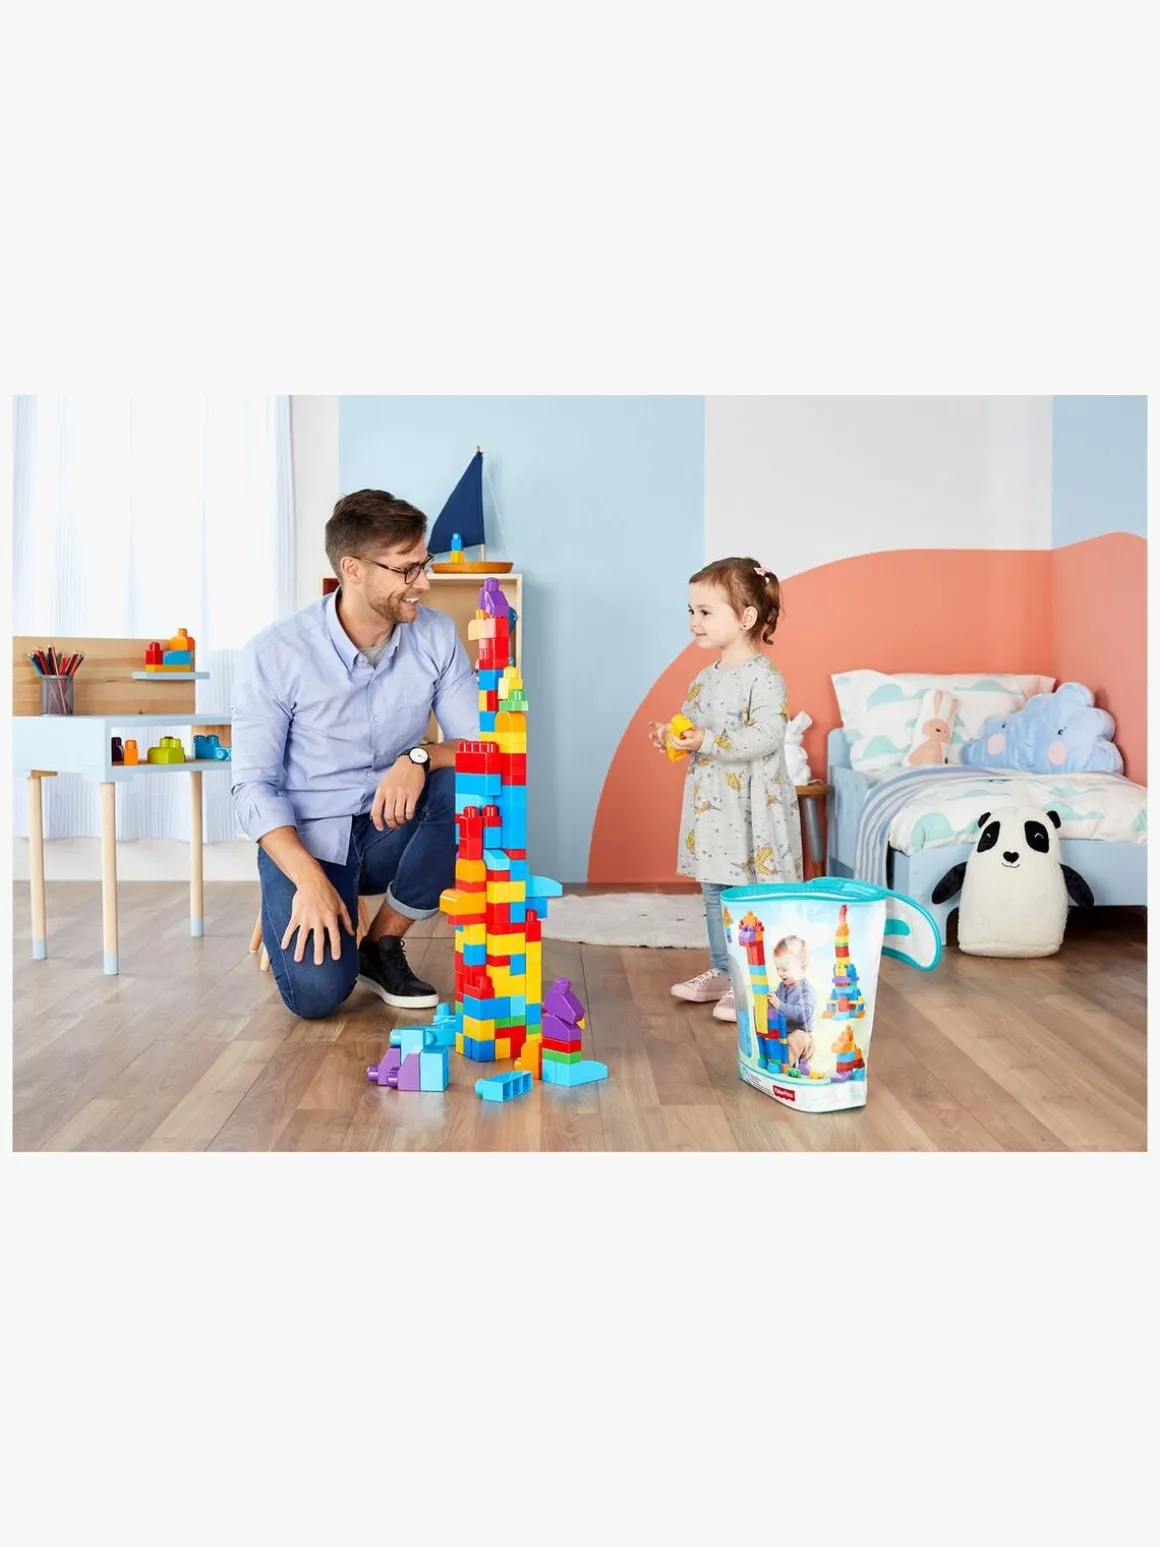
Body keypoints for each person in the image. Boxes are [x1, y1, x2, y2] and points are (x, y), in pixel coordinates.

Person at [231, 490, 478, 1020]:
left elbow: (481, 747)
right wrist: (308, 881)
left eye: (424, 564)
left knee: (468, 787)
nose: (424, 583)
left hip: (393, 826)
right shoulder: (274, 655)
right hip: (313, 839)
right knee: (317, 996)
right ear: (353, 569)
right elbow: (253, 786)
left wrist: (419, 758)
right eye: (407, 570)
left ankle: (382, 943)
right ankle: (288, 894)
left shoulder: (436, 635)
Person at [650, 556, 803, 1022]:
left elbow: (767, 736)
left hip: (752, 807)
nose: (694, 622)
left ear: (746, 617)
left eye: (705, 612)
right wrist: (673, 736)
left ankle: (753, 981)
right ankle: (723, 969)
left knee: (748, 893)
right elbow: (695, 729)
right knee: (714, 891)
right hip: (713, 807)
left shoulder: (763, 676)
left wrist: (707, 740)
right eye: (691, 611)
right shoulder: (705, 678)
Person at [765, 935, 817, 1073]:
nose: (780, 973)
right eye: (777, 968)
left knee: (798, 1037)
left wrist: (779, 1004)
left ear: (802, 968)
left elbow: (802, 1014)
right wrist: (769, 998)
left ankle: (784, 1065)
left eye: (784, 969)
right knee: (771, 1035)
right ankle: (775, 1058)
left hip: (803, 1039)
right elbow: (775, 1001)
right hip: (784, 1034)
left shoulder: (807, 990)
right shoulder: (782, 986)